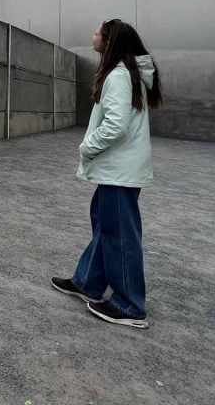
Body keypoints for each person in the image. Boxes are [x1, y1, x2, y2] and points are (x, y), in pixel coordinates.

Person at [50, 18, 164, 329]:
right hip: (121, 169)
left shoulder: (118, 76)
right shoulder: (129, 74)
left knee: (120, 234)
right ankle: (88, 281)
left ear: (109, 41)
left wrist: (87, 147)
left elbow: (115, 125)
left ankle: (130, 305)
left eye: (99, 32)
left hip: (119, 170)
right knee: (105, 223)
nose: (94, 36)